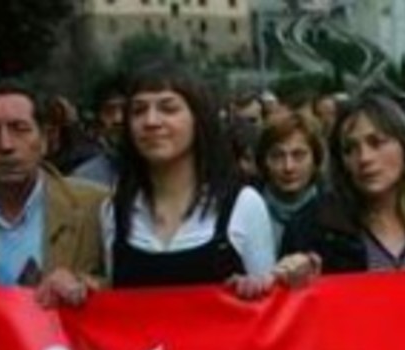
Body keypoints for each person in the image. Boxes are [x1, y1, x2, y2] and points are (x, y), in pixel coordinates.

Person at [97, 63, 275, 294]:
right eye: (138, 111)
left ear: (198, 119)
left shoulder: (243, 205)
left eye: (168, 109)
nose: (151, 121)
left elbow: (269, 305)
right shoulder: (113, 211)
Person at [0, 79, 106, 310]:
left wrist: (87, 286)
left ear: (44, 140)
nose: (5, 145)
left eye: (20, 129)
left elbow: (136, 290)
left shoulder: (97, 207)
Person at [280, 94, 405, 275]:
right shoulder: (312, 228)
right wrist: (292, 281)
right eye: (350, 148)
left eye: (376, 143)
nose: (364, 158)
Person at [255, 111, 325, 250]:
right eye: (277, 156)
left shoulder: (334, 215)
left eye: (298, 155)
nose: (288, 167)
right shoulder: (246, 212)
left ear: (315, 160)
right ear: (264, 162)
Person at [71, 73, 127, 187]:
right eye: (109, 111)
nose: (118, 119)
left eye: (125, 109)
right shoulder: (85, 179)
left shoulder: (161, 169)